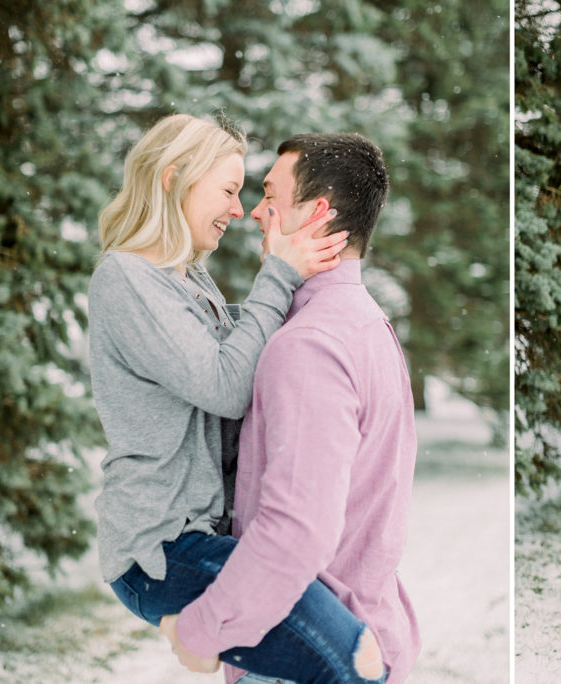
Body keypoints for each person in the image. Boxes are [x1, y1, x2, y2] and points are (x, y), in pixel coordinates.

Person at [88, 113, 381, 682]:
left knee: (349, 652)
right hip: (164, 551)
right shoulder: (125, 277)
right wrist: (280, 276)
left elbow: (246, 348)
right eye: (226, 190)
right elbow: (226, 385)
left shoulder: (187, 279)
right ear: (174, 179)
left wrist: (314, 307)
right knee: (353, 659)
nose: (235, 209)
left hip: (208, 541)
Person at [155, 133, 421, 684]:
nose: (253, 211)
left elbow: (296, 528)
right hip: (361, 637)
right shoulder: (366, 324)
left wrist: (203, 631)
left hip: (304, 656)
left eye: (270, 196)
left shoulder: (309, 345)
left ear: (316, 212)